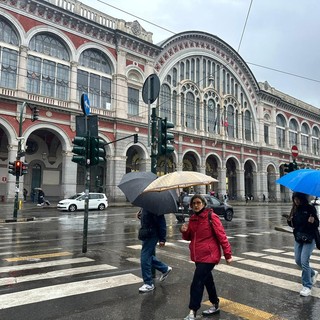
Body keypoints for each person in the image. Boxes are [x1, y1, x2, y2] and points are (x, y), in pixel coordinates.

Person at [180, 194, 232, 320]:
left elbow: (221, 236)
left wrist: (227, 254)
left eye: (198, 203)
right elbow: (189, 238)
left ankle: (193, 311)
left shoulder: (211, 217)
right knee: (208, 281)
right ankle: (215, 304)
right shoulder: (192, 219)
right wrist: (184, 231)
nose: (196, 205)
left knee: (197, 282)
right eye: (194, 204)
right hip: (198, 255)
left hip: (209, 255)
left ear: (204, 204)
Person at [286, 192, 319, 297]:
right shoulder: (294, 209)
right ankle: (313, 273)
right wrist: (289, 221)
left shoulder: (310, 209)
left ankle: (307, 286)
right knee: (298, 261)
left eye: (297, 199)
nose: (296, 201)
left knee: (304, 261)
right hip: (299, 238)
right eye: (294, 199)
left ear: (302, 198)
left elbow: (317, 223)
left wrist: (313, 221)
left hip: (309, 238)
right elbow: (294, 224)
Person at [138, 208, 172, 293]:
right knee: (147, 257)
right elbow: (147, 219)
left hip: (151, 235)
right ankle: (164, 268)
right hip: (146, 234)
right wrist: (140, 215)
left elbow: (162, 223)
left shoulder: (155, 207)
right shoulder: (145, 206)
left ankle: (149, 283)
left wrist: (162, 239)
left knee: (144, 257)